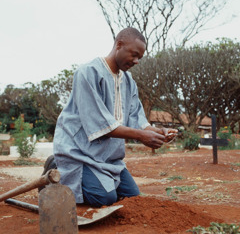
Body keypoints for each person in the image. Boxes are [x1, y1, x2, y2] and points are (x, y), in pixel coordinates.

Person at [42, 27, 177, 207]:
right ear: (119, 45)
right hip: (79, 152)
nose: (137, 61)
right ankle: (56, 167)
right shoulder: (88, 73)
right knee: (104, 198)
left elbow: (139, 121)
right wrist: (141, 136)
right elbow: (100, 126)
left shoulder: (129, 82)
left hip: (109, 158)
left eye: (140, 58)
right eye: (134, 54)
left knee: (133, 198)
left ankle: (96, 178)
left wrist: (159, 132)